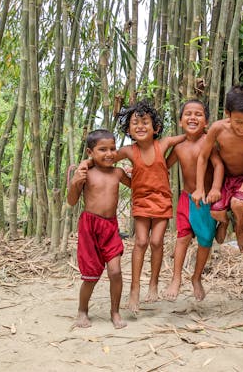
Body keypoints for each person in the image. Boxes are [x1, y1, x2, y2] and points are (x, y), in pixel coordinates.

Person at [112, 100, 185, 314]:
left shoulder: (163, 145)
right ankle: (135, 289)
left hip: (162, 201)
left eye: (145, 122)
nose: (140, 126)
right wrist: (88, 163)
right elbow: (106, 157)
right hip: (142, 201)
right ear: (128, 130)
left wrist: (207, 130)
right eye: (135, 123)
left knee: (156, 241)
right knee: (141, 242)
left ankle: (153, 282)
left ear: (156, 128)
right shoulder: (128, 150)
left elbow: (187, 137)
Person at [67, 129, 131, 329]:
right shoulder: (85, 173)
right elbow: (71, 201)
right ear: (89, 152)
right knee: (91, 275)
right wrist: (75, 182)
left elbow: (138, 186)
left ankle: (115, 312)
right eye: (102, 149)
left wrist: (135, 171)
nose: (109, 153)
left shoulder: (118, 173)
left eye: (112, 148)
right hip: (90, 226)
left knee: (115, 271)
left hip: (111, 227)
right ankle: (82, 310)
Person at [192, 85, 243, 252]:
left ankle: (240, 228)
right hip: (226, 179)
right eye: (239, 122)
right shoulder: (217, 128)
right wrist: (198, 189)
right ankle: (225, 222)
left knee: (237, 203)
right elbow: (203, 157)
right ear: (228, 113)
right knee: (216, 213)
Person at [163, 100, 224, 302]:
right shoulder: (179, 146)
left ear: (206, 122)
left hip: (205, 201)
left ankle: (196, 277)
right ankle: (176, 277)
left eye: (198, 114)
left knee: (205, 241)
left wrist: (215, 189)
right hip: (186, 198)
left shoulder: (209, 142)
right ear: (181, 121)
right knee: (182, 237)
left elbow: (218, 166)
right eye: (188, 114)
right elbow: (163, 165)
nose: (193, 117)